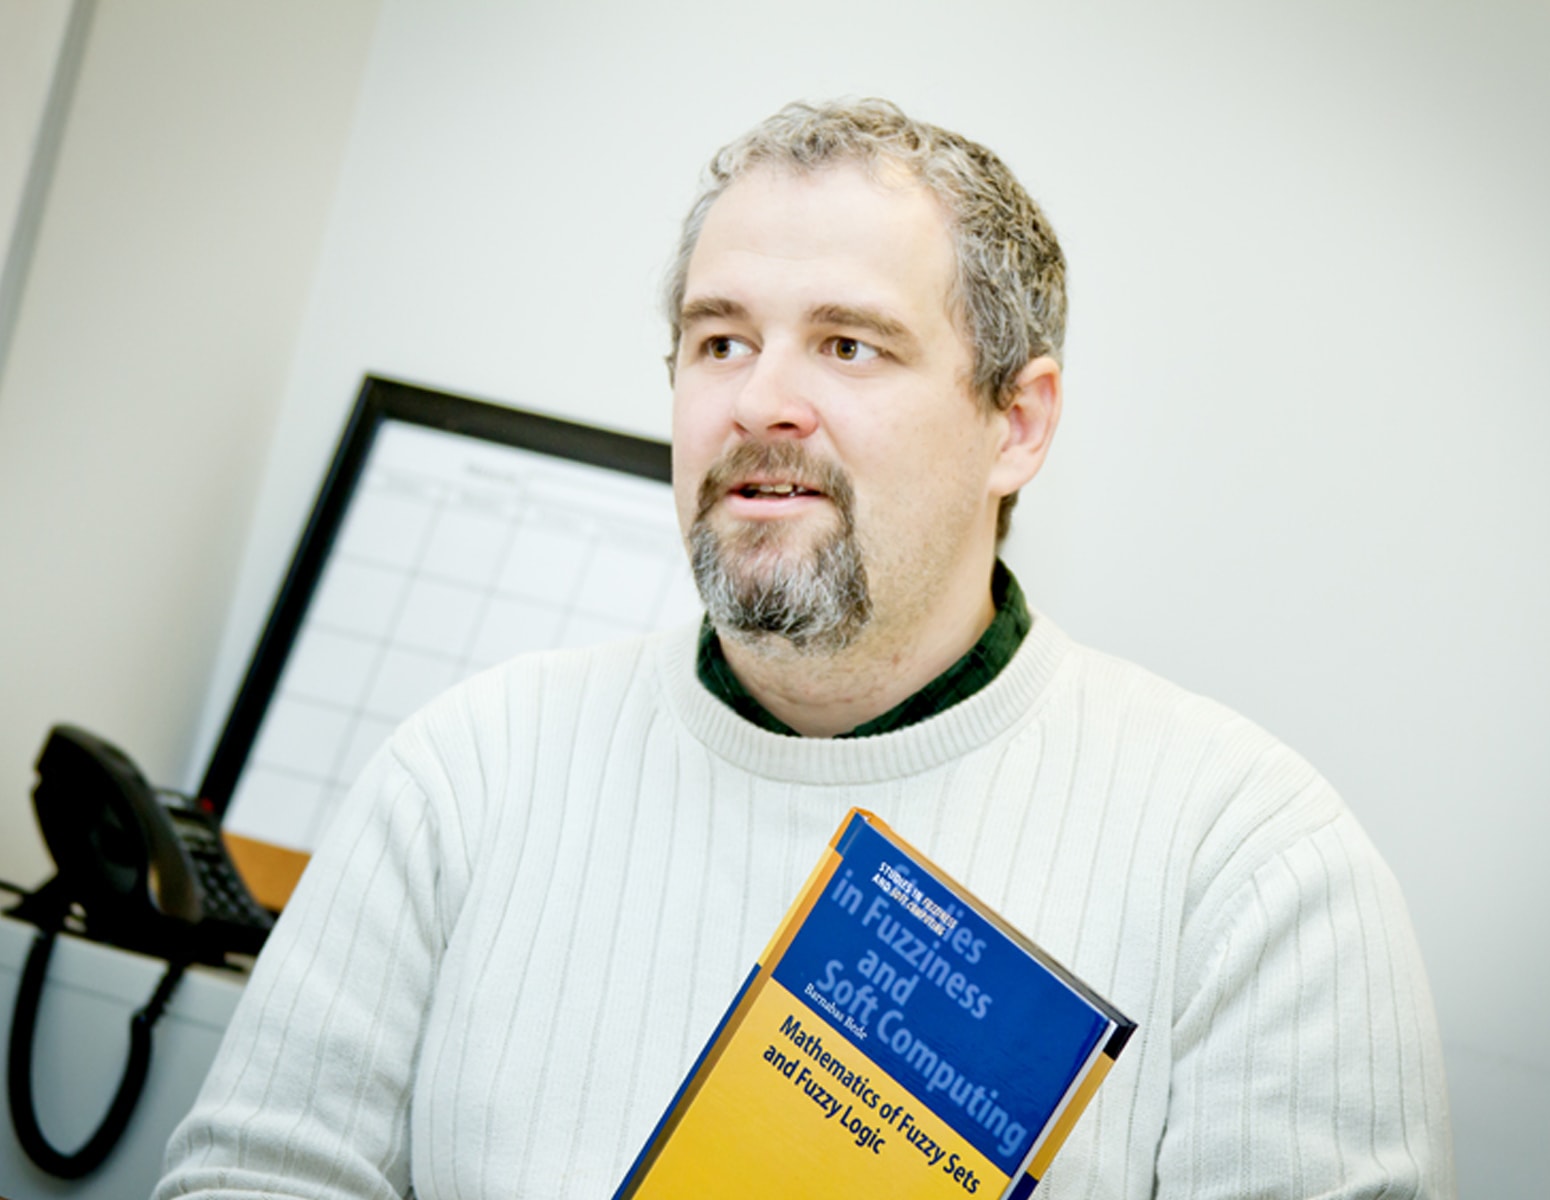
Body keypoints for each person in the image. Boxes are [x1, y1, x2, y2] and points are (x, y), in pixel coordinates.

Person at [155, 99, 1455, 1199]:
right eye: (720, 340)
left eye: (848, 344)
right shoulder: (464, 772)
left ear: (1017, 422)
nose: (761, 400)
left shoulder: (1252, 872)